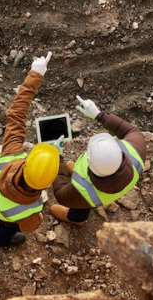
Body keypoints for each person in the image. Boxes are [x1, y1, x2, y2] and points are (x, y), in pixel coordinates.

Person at [0, 52, 59, 247]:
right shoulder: (33, 207)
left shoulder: (12, 153)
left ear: (28, 161)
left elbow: (17, 112)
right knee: (7, 230)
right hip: (4, 215)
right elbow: (29, 226)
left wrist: (36, 73)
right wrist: (40, 219)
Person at [51, 95, 147, 225]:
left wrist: (58, 158)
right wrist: (99, 115)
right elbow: (130, 130)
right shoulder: (136, 153)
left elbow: (60, 192)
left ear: (88, 163)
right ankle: (77, 177)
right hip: (115, 186)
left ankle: (77, 219)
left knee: (81, 206)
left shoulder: (82, 191)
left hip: (87, 198)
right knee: (84, 199)